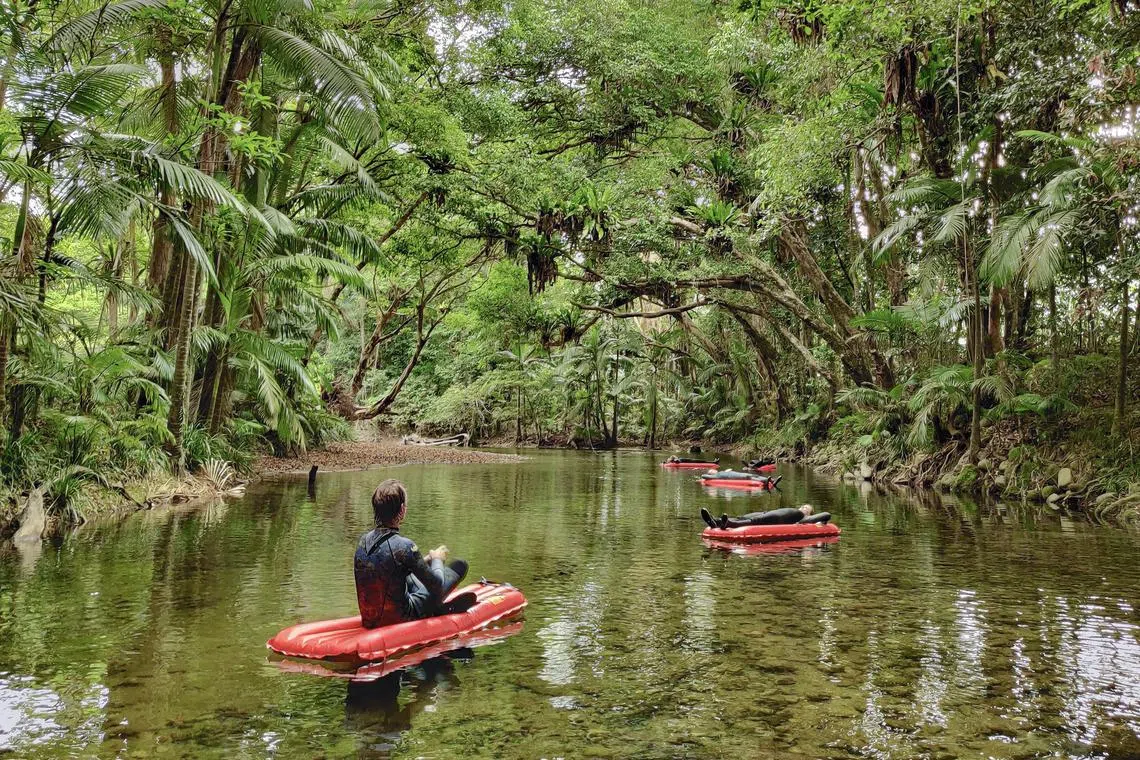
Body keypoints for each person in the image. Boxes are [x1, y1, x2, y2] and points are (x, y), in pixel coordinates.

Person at [354, 479, 476, 629]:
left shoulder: (362, 541)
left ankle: (437, 608)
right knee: (460, 567)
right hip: (401, 619)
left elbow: (388, 571)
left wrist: (424, 560)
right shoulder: (405, 546)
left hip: (370, 620)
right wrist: (437, 559)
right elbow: (437, 585)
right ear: (402, 510)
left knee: (412, 575)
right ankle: (438, 610)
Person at [700, 504, 831, 530]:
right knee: (743, 517)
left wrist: (822, 521)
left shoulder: (803, 518)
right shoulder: (794, 510)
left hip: (779, 518)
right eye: (802, 507)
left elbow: (826, 515)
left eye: (806, 509)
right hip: (771, 513)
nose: (803, 509)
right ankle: (715, 522)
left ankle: (728, 524)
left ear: (810, 514)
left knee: (755, 521)